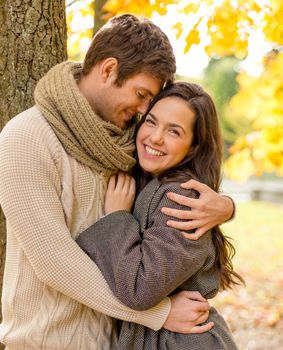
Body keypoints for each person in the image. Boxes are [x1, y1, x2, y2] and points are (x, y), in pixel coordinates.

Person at [0, 14, 234, 350]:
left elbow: (174, 189)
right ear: (109, 70)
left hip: (116, 342)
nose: (142, 112)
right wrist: (159, 313)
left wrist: (225, 206)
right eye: (141, 95)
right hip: (47, 341)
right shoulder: (27, 138)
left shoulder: (127, 143)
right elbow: (54, 262)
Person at [76, 81, 244, 349]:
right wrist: (229, 206)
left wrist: (118, 217)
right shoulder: (151, 180)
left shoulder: (182, 197)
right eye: (151, 122)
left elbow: (141, 289)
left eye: (174, 131)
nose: (155, 137)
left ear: (193, 147)